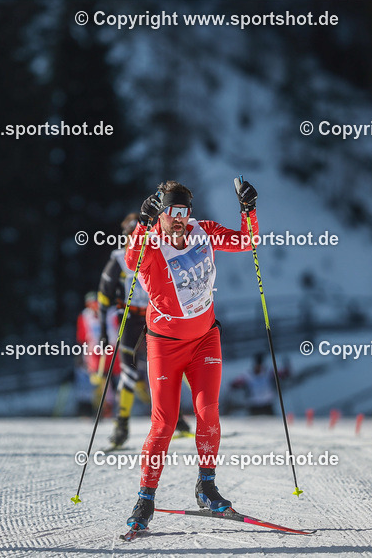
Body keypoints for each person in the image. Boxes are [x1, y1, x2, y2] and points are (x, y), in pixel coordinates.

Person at [124, 178, 258, 531]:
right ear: (161, 213)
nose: (179, 218)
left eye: (184, 211)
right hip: (165, 345)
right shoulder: (152, 244)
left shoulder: (204, 232)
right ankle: (145, 499)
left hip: (204, 339)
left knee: (208, 411)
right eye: (171, 211)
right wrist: (142, 223)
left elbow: (246, 241)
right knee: (165, 422)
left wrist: (248, 210)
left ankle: (207, 487)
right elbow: (131, 261)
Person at [99, 213, 191, 448]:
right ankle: (121, 426)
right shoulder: (119, 259)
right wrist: (102, 331)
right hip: (129, 319)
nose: (135, 240)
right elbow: (104, 296)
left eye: (138, 235)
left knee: (164, 371)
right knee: (129, 373)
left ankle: (177, 420)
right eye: (131, 236)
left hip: (155, 317)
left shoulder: (157, 251)